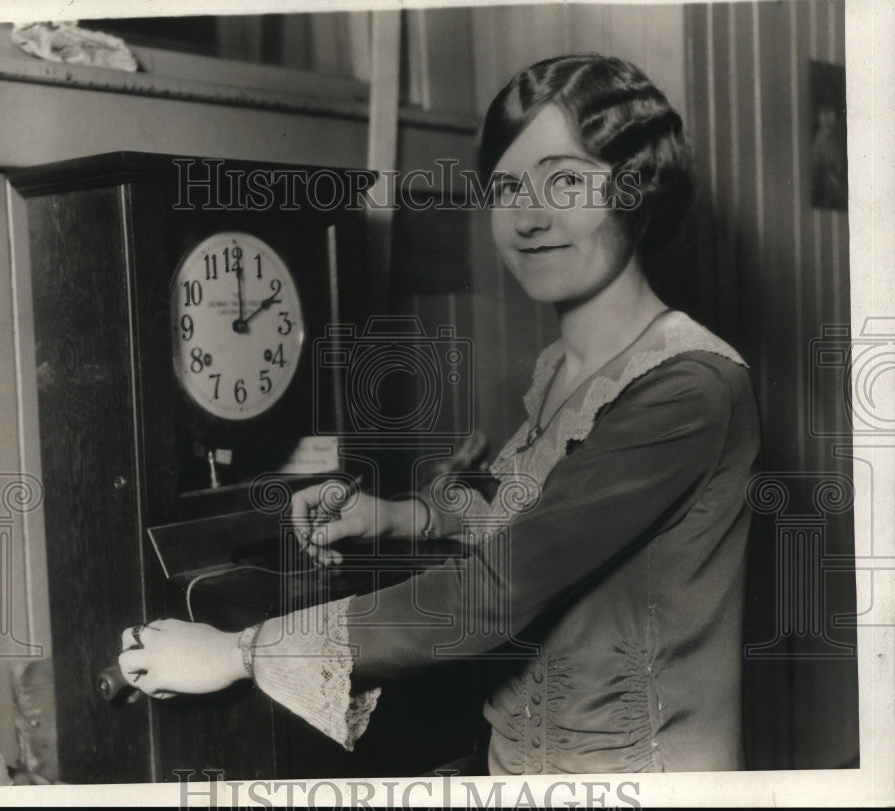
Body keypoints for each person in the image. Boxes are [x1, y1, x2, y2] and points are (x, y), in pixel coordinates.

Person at [119, 54, 761, 775]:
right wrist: (396, 515)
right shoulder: (566, 369)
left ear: (636, 193)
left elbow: (495, 592)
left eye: (566, 180)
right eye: (508, 186)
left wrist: (238, 651)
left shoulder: (688, 388)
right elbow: (532, 493)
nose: (530, 216)